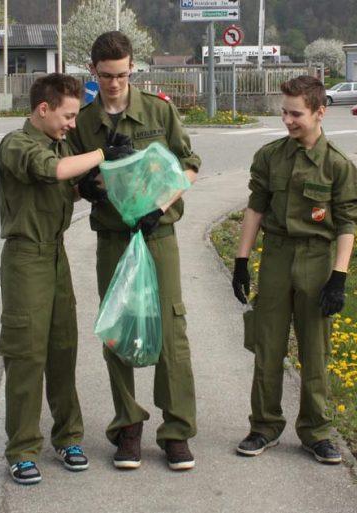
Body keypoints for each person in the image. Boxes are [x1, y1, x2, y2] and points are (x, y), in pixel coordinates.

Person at [69, 31, 201, 472]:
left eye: (122, 75)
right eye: (106, 76)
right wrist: (89, 186)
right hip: (113, 238)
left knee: (170, 329)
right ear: (93, 71)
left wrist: (159, 206)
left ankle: (176, 430)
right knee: (118, 329)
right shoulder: (84, 122)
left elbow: (190, 166)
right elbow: (72, 179)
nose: (114, 84)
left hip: (157, 236)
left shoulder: (158, 111)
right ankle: (128, 425)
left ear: (132, 69)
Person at [0, 73, 124, 485]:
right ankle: (22, 449)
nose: (72, 124)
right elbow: (52, 172)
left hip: (55, 254)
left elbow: (68, 183)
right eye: (67, 116)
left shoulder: (60, 144)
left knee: (63, 348)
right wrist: (100, 154)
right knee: (26, 354)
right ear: (43, 109)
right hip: (25, 258)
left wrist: (92, 187)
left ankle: (68, 438)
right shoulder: (16, 145)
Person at [230, 75, 357, 464]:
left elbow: (347, 224)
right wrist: (242, 260)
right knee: (267, 346)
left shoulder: (337, 165)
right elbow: (255, 207)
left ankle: (316, 431)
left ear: (320, 112)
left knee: (315, 350)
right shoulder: (271, 156)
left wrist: (339, 277)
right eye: (284, 113)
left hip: (316, 260)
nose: (287, 120)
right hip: (276, 256)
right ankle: (264, 426)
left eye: (296, 114)